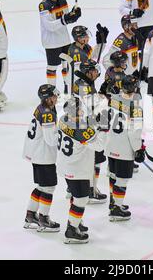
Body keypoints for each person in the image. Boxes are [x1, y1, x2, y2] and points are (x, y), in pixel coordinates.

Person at [57, 97, 106, 244]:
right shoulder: (80, 130)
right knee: (81, 199)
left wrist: (95, 124)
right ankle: (71, 229)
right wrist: (103, 128)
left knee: (75, 195)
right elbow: (98, 146)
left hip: (66, 165)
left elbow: (85, 129)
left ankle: (76, 222)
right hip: (77, 168)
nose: (82, 110)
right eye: (79, 108)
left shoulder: (63, 120)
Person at [105, 75, 145, 221]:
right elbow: (134, 132)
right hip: (124, 148)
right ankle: (116, 208)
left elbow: (104, 122)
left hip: (110, 144)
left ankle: (113, 202)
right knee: (122, 179)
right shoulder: (136, 106)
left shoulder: (113, 100)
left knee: (113, 175)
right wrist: (138, 148)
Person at [23, 84, 61, 232]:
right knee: (49, 188)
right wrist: (63, 133)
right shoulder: (47, 114)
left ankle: (30, 215)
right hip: (44, 156)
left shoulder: (42, 108)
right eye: (54, 96)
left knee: (41, 186)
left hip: (36, 153)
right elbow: (51, 140)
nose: (56, 98)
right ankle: (44, 219)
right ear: (48, 98)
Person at [73, 60, 108, 204]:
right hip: (87, 126)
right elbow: (94, 108)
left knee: (83, 159)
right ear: (88, 72)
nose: (97, 73)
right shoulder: (85, 87)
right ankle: (91, 190)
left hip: (78, 124)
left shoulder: (80, 83)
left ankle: (74, 190)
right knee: (96, 159)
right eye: (94, 70)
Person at [39, 0, 81, 95]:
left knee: (66, 64)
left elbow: (65, 18)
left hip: (64, 39)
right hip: (51, 41)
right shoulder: (44, 5)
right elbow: (49, 26)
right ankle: (51, 90)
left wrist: (73, 15)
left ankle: (67, 86)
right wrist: (65, 19)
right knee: (52, 66)